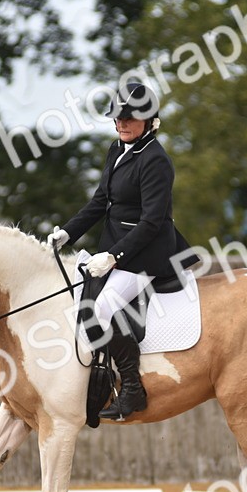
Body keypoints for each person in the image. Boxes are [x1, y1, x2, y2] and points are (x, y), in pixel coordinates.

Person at [47, 81, 198, 420]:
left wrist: (114, 256)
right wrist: (68, 232)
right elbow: (101, 201)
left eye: (130, 118)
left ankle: (132, 389)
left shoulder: (157, 161)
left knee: (100, 311)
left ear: (150, 121)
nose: (121, 124)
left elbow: (152, 221)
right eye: (117, 118)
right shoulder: (117, 150)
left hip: (146, 255)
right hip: (116, 247)